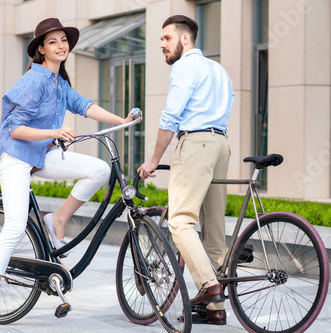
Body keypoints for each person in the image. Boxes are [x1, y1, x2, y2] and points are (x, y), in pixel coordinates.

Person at [0, 18, 137, 324]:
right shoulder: (34, 80)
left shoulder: (59, 83)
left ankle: (57, 219)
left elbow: (84, 105)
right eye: (53, 41)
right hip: (15, 157)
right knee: (14, 226)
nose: (61, 45)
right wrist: (55, 132)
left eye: (64, 40)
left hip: (41, 154)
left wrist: (121, 120)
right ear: (40, 49)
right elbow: (14, 129)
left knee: (99, 170)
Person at [138, 15, 233, 325]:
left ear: (185, 39)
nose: (162, 45)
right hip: (221, 144)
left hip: (195, 144)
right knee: (214, 227)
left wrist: (152, 160)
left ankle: (209, 287)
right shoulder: (218, 69)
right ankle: (215, 311)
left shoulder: (184, 67)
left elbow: (171, 117)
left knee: (180, 222)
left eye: (167, 38)